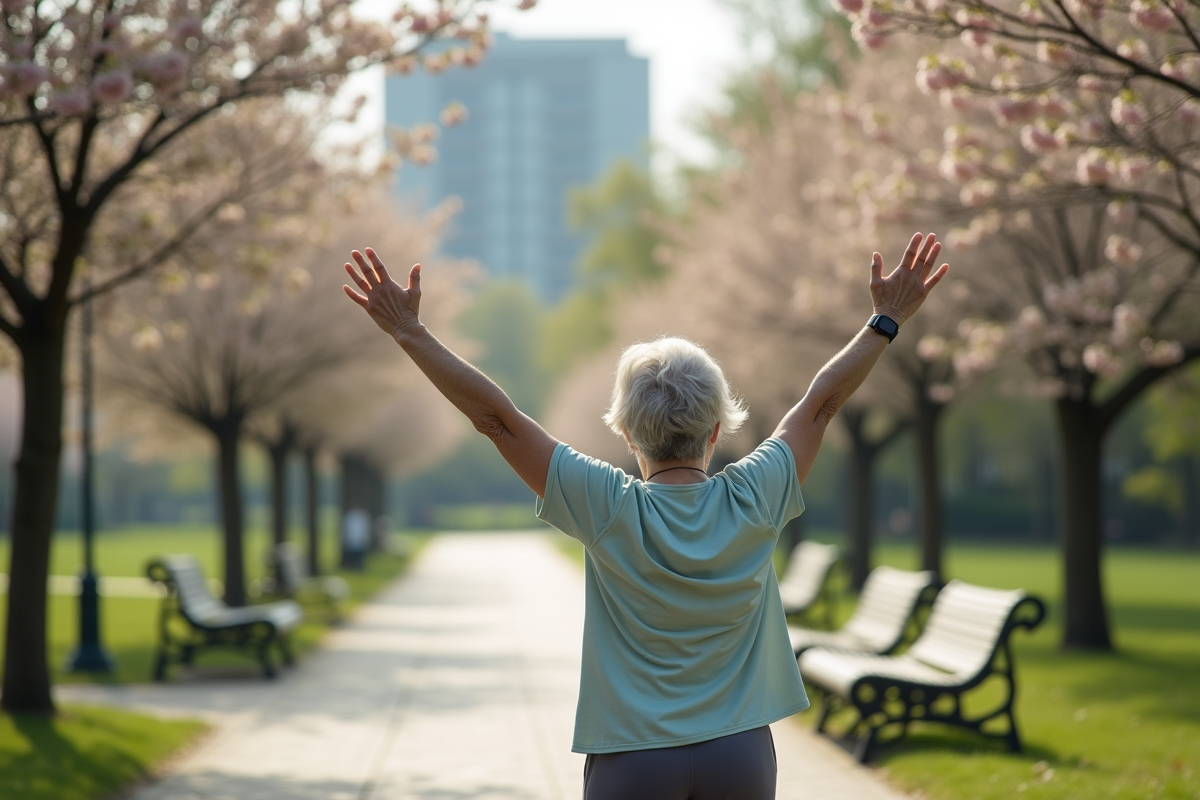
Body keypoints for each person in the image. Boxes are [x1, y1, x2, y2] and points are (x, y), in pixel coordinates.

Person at [342, 233, 948, 800]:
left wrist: (409, 332)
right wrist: (884, 321)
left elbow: (496, 418)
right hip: (739, 754)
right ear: (716, 431)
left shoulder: (605, 505)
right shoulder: (755, 496)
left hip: (633, 760)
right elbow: (819, 406)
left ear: (628, 432)